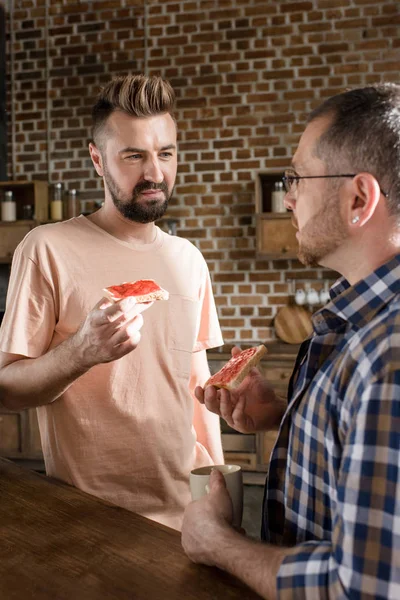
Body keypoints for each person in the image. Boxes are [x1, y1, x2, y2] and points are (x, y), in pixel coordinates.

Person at [181, 83, 400, 598]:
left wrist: (218, 542)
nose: (288, 197)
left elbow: (361, 588)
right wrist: (286, 415)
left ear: (359, 199)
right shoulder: (355, 321)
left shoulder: (388, 355)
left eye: (298, 177)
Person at [0, 74, 224, 531]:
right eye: (134, 156)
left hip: (188, 517)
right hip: (88, 521)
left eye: (166, 153)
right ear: (97, 160)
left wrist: (222, 494)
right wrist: (82, 352)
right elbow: (6, 390)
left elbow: (199, 386)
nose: (155, 173)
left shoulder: (189, 259)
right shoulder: (46, 248)